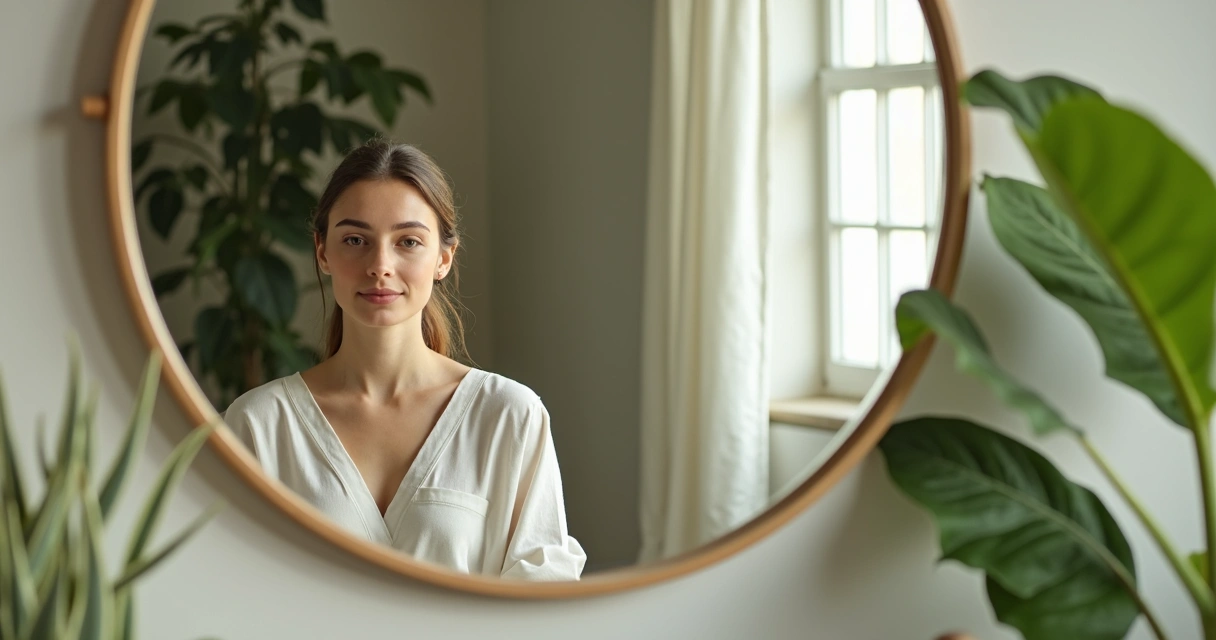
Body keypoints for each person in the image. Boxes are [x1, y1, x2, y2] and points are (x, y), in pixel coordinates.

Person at [222, 139, 586, 581]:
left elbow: (542, 602)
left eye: (408, 241)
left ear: (444, 258)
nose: (380, 265)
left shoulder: (508, 416)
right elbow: (229, 593)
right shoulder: (259, 426)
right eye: (355, 240)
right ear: (323, 253)